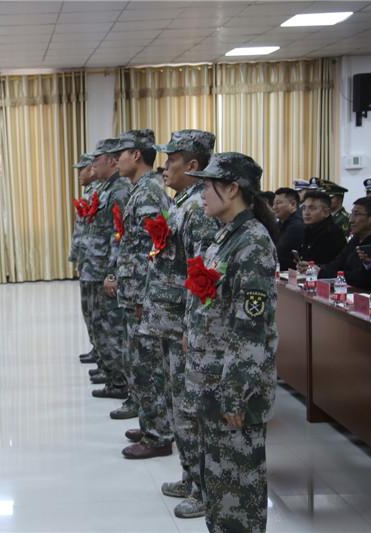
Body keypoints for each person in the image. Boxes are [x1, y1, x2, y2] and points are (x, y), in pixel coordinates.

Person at [184, 152, 278, 533]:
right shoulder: (226, 236)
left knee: (238, 492)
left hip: (232, 392)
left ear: (233, 188)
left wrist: (235, 394)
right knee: (219, 488)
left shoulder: (252, 244)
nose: (202, 194)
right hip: (213, 383)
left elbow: (251, 328)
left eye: (208, 186)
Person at [144, 129, 218, 519]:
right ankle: (191, 477)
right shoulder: (183, 203)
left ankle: (205, 490)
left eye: (171, 160)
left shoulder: (197, 209)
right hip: (173, 322)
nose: (165, 166)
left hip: (185, 326)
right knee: (179, 406)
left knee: (191, 410)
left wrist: (193, 328)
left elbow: (201, 277)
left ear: (192, 165)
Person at [109, 129, 174, 459]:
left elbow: (154, 249)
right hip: (137, 293)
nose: (116, 161)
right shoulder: (142, 189)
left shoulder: (148, 192)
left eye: (120, 154)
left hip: (143, 295)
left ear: (136, 155)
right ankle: (153, 423)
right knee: (142, 364)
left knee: (146, 366)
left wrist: (142, 297)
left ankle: (158, 435)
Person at [80, 138, 132, 400]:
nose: (92, 165)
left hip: (105, 271)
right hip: (95, 267)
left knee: (112, 329)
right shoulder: (105, 188)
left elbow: (119, 235)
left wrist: (112, 273)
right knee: (99, 325)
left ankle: (120, 382)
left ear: (111, 161)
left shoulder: (120, 190)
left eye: (97, 160)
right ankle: (111, 374)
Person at [68, 153, 101, 370]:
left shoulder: (98, 193)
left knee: (96, 311)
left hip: (96, 262)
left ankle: (101, 352)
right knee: (88, 309)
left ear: (92, 169)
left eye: (83, 169)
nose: (79, 174)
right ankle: (97, 349)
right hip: (88, 260)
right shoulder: (89, 192)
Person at [318, 197, 371, 289]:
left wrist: (322, 273)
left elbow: (360, 278)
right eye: (352, 214)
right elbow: (337, 263)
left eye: (356, 214)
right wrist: (316, 268)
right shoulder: (357, 238)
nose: (351, 220)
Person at [298, 190, 346, 266]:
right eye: (304, 208)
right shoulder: (309, 229)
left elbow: (328, 264)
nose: (306, 212)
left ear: (326, 212)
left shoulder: (331, 233)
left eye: (312, 208)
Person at [272, 187, 304, 271]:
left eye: (278, 203)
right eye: (273, 204)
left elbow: (279, 253)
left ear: (293, 204)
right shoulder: (281, 223)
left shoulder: (296, 225)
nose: (274, 207)